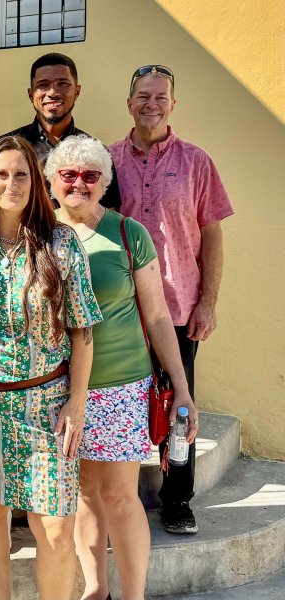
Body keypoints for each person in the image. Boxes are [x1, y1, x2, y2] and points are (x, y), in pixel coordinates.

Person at [0, 135, 102, 600]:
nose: (12, 184)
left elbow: (82, 330)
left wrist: (76, 403)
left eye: (22, 174)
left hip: (46, 404)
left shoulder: (61, 243)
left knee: (55, 526)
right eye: (2, 174)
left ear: (36, 182)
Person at [48, 134, 198, 600]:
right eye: (68, 175)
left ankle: (133, 595)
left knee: (119, 496)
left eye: (90, 175)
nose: (79, 183)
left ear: (104, 181)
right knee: (83, 494)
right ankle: (96, 590)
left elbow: (157, 316)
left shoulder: (128, 234)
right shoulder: (39, 235)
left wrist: (181, 386)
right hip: (56, 388)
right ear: (51, 180)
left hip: (121, 387)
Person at [110, 65, 234, 535]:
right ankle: (114, 498)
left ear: (172, 105)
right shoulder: (107, 160)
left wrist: (208, 301)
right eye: (143, 96)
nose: (152, 104)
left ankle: (178, 498)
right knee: (119, 403)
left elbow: (212, 235)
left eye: (161, 97)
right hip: (121, 310)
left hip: (179, 307)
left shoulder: (197, 162)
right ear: (129, 103)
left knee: (179, 406)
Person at [0, 52, 121, 210]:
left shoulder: (97, 152)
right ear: (31, 94)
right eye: (43, 84)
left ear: (77, 91)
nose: (53, 92)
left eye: (63, 84)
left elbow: (108, 213)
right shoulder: (6, 148)